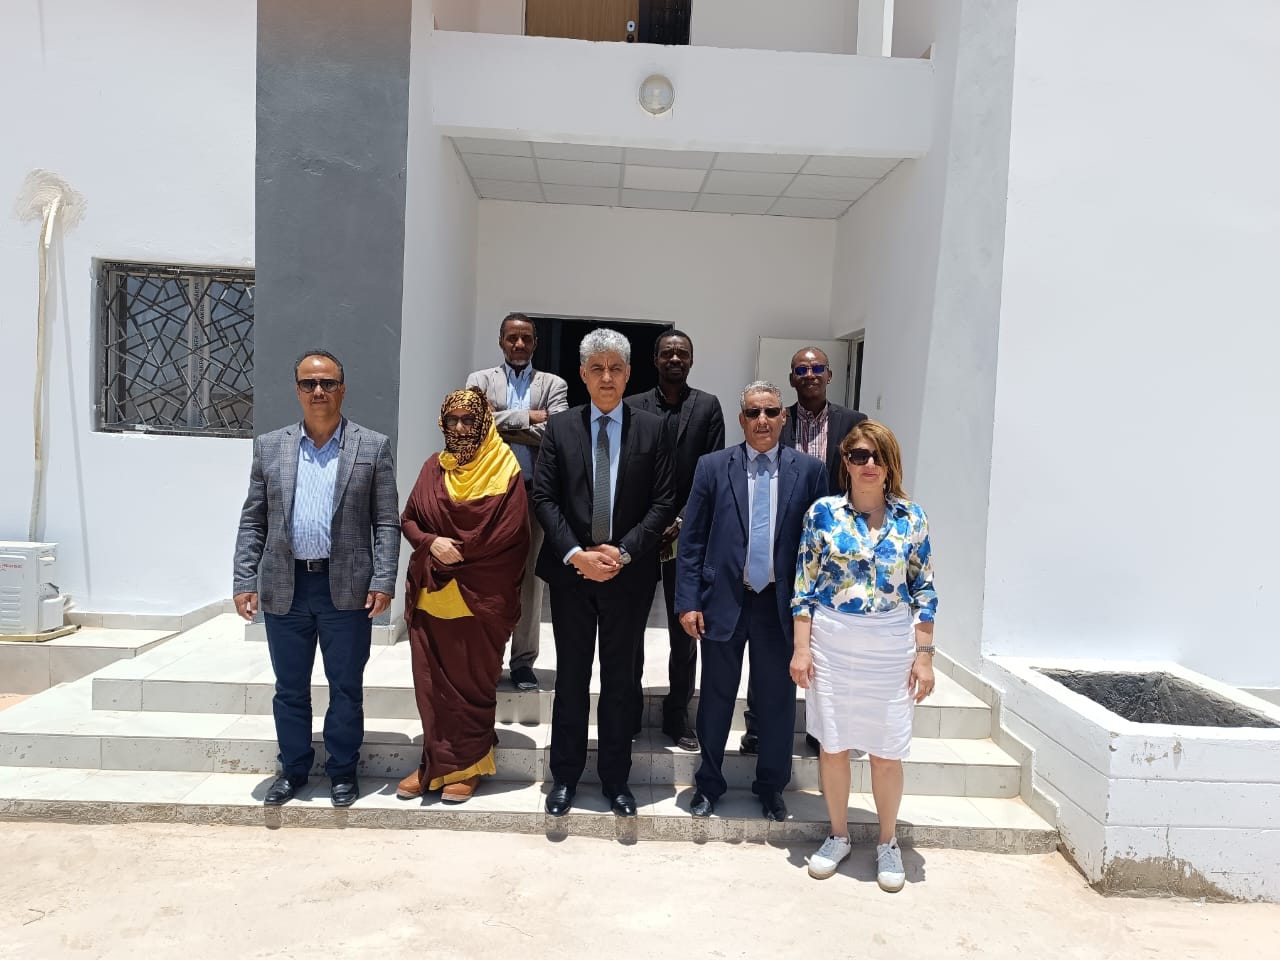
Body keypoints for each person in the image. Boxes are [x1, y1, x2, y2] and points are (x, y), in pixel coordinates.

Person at [232, 349, 400, 808]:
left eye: (327, 383)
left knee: (345, 688)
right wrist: (244, 578)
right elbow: (254, 521)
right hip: (286, 588)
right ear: (298, 390)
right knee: (290, 689)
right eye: (309, 384)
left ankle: (343, 771)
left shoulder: (372, 445)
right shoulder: (271, 446)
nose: (318, 391)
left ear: (342, 388)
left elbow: (387, 521)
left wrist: (383, 579)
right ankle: (294, 770)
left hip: (345, 589)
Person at [789, 420, 937, 892]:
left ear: (890, 463)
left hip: (890, 643)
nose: (867, 464)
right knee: (833, 745)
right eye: (857, 455)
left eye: (876, 456)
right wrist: (801, 649)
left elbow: (925, 589)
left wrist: (925, 656)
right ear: (845, 463)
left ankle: (888, 842)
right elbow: (803, 587)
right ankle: (838, 834)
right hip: (832, 641)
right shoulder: (822, 514)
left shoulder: (912, 519)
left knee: (886, 750)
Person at [532, 328, 673, 818]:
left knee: (619, 682)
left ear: (630, 373)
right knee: (571, 679)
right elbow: (543, 499)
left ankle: (617, 781)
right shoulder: (561, 428)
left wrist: (623, 553)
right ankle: (564, 778)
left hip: (628, 578)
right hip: (572, 576)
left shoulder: (652, 429)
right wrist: (577, 553)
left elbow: (663, 502)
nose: (607, 377)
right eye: (597, 368)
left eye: (616, 368)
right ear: (583, 375)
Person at [675, 381, 827, 822]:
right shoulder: (712, 466)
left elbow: (820, 547)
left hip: (780, 606)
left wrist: (813, 611)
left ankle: (771, 787)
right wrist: (688, 602)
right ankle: (709, 783)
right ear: (741, 420)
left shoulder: (810, 471)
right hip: (724, 599)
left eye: (771, 412)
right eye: (754, 412)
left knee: (778, 702)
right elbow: (692, 541)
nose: (763, 420)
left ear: (784, 418)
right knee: (716, 697)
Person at [395, 387, 531, 803]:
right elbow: (410, 518)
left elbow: (510, 536)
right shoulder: (432, 468)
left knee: (471, 686)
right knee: (432, 685)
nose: (458, 427)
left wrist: (463, 555)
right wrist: (432, 541)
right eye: (451, 420)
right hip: (432, 595)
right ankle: (433, 763)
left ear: (484, 422)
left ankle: (469, 764)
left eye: (467, 420)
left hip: (479, 598)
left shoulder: (505, 469)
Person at [739, 345, 867, 755]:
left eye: (817, 368)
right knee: (770, 638)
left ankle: (820, 727)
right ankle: (758, 726)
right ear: (792, 378)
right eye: (801, 369)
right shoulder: (777, 417)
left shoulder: (853, 421)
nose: (809, 374)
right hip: (780, 544)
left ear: (830, 375)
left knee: (825, 643)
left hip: (834, 551)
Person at [625, 329, 725, 751]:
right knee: (629, 629)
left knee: (684, 634)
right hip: (642, 536)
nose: (675, 359)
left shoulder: (708, 407)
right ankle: (627, 708)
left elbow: (714, 471)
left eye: (682, 353)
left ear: (691, 360)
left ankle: (677, 715)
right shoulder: (633, 407)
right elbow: (627, 475)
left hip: (687, 538)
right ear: (655, 358)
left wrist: (683, 520)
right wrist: (649, 525)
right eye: (667, 353)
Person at [466, 313, 569, 691]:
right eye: (512, 338)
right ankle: (489, 656)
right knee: (489, 577)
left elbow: (555, 431)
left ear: (535, 342)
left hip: (533, 493)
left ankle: (524, 661)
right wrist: (528, 417)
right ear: (501, 341)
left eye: (526, 338)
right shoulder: (479, 380)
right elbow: (474, 426)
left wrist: (501, 424)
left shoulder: (552, 384)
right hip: (489, 495)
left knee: (529, 579)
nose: (519, 344)